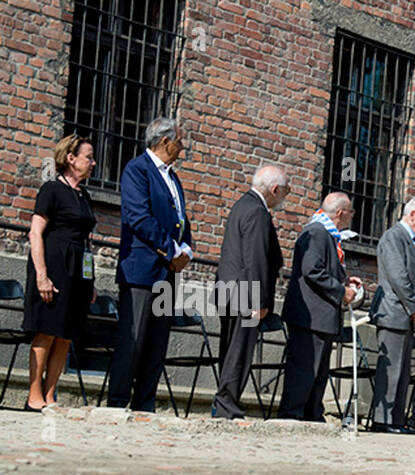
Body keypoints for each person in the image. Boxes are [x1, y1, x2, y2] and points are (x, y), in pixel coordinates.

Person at [110, 117, 192, 412]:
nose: (183, 148)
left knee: (156, 345)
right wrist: (170, 250)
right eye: (180, 141)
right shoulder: (137, 170)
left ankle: (144, 405)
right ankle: (118, 404)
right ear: (165, 141)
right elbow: (138, 217)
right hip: (141, 272)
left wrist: (186, 250)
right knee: (132, 343)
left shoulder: (173, 178)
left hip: (168, 273)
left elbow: (181, 219)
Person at [23, 134, 97, 411]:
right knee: (47, 331)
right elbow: (35, 233)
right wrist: (41, 274)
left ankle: (50, 394)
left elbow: (87, 241)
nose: (93, 163)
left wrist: (90, 280)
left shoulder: (84, 195)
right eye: (88, 157)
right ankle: (33, 396)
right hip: (54, 265)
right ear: (70, 159)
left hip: (79, 270)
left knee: (66, 334)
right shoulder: (51, 190)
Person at [277, 193, 362, 421]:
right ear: (341, 212)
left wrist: (345, 281)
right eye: (351, 212)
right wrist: (340, 290)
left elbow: (323, 269)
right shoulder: (316, 232)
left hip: (321, 316)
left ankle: (312, 414)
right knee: (305, 368)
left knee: (318, 371)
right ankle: (292, 415)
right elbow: (312, 270)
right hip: (310, 315)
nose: (352, 216)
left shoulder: (328, 234)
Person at [212, 165, 288, 419]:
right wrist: (260, 301)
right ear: (275, 189)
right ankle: (227, 405)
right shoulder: (257, 212)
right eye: (285, 191)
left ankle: (224, 403)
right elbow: (255, 259)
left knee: (231, 349)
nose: (284, 197)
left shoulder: (242, 205)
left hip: (231, 291)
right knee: (239, 352)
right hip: (245, 295)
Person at [369, 197, 415, 433]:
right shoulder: (394, 237)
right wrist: (414, 307)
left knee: (403, 371)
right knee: (392, 370)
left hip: (404, 316)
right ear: (413, 214)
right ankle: (382, 419)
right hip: (394, 312)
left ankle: (396, 420)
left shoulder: (411, 240)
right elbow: (398, 277)